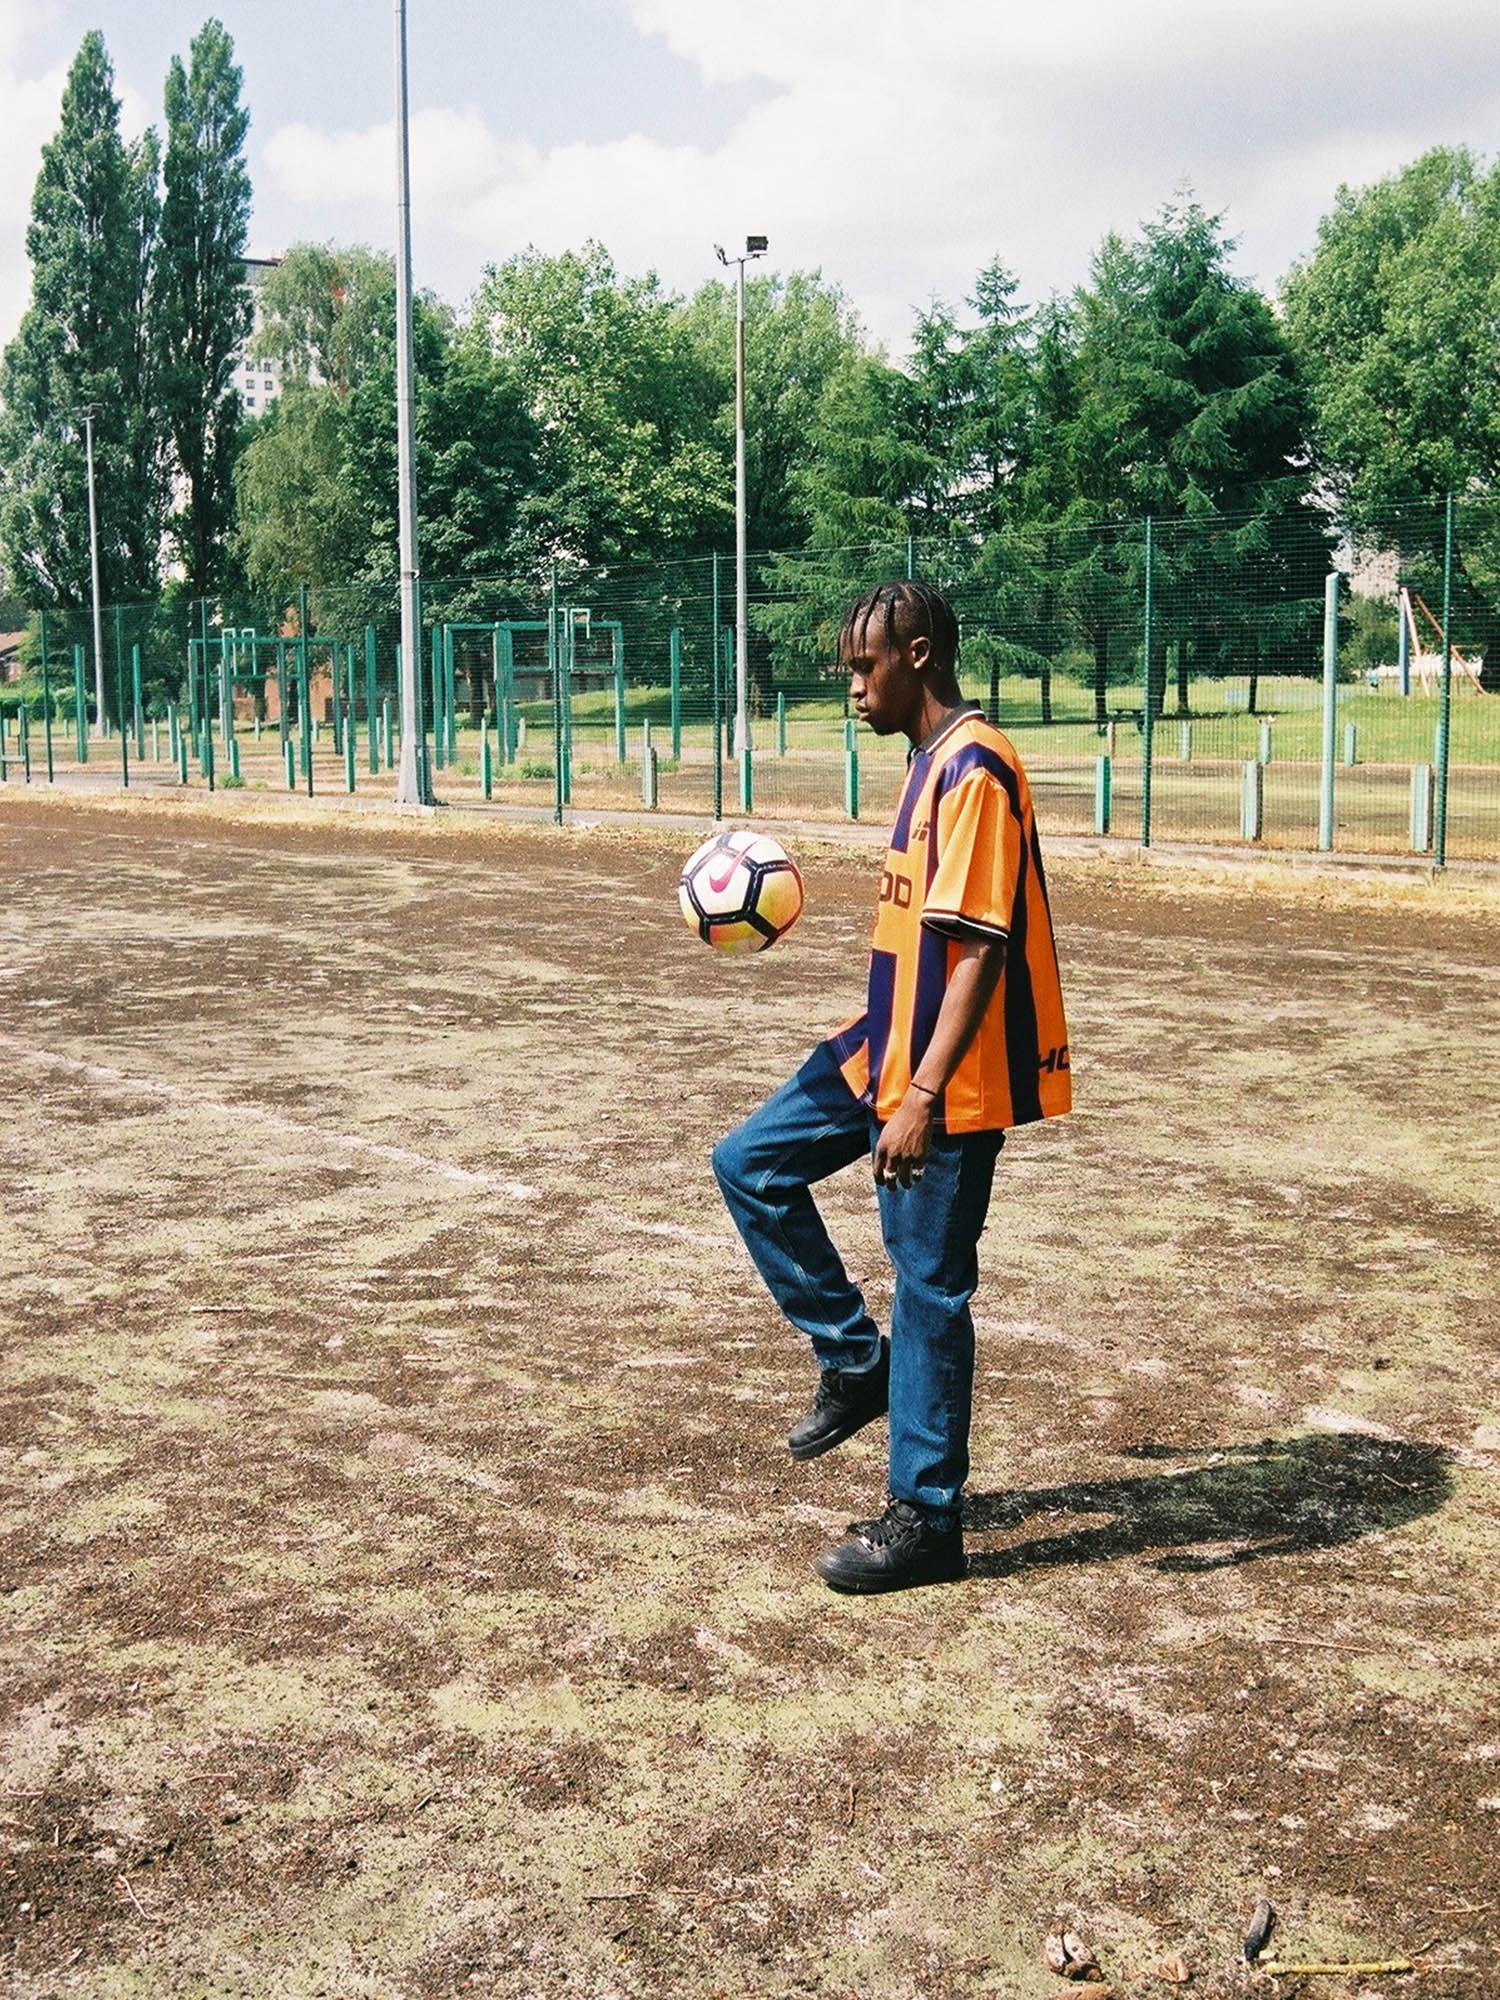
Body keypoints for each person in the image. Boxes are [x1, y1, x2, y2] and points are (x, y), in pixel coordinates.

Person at [712, 581, 1071, 1594]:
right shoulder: (928, 761)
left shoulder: (976, 766)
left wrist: (920, 1097)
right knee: (750, 1163)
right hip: (879, 1051)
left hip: (940, 1082)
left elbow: (979, 955)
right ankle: (852, 1359)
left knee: (930, 1289)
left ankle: (925, 1518)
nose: (853, 685)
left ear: (917, 654)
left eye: (864, 666)